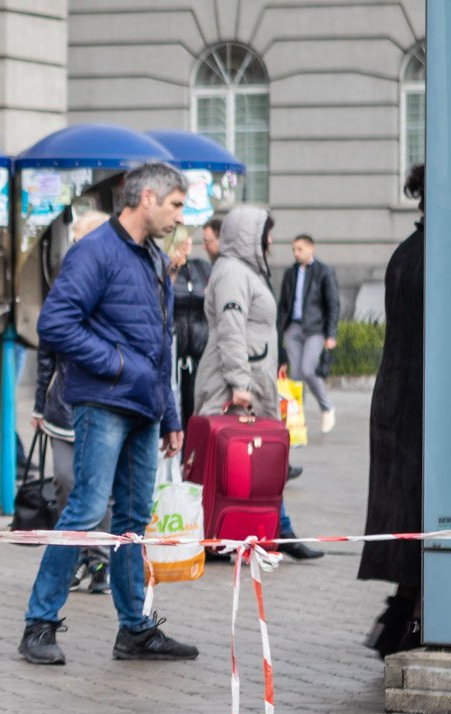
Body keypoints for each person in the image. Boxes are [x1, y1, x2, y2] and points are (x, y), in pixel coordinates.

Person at [18, 162, 198, 666]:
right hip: (104, 403)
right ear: (145, 197)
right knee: (84, 512)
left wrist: (170, 415)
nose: (180, 216)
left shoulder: (152, 259)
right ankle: (40, 623)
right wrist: (116, 365)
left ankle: (134, 630)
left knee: (133, 519)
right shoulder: (95, 251)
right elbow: (55, 324)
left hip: (144, 408)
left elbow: (161, 344)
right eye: (175, 205)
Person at [192, 206, 323, 561]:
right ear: (249, 235)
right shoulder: (233, 272)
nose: (270, 241)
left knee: (258, 461)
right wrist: (239, 384)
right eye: (266, 233)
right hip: (234, 386)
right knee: (241, 463)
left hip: (251, 380)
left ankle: (274, 529)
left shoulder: (243, 271)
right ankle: (243, 532)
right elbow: (232, 329)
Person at [359, 163, 425, 657]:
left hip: (401, 402)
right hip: (420, 406)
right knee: (422, 519)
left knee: (413, 521)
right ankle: (403, 625)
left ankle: (398, 621)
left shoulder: (409, 250)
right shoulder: (431, 254)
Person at [31, 209, 111, 594]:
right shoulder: (64, 287)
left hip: (105, 406)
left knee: (100, 486)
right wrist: (37, 403)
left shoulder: (117, 287)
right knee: (65, 482)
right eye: (77, 241)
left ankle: (100, 560)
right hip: (62, 406)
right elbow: (46, 350)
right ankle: (79, 555)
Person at [277, 234, 341, 433]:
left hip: (315, 329)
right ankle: (295, 424)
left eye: (300, 249)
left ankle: (327, 407)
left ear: (311, 248)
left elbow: (333, 304)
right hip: (293, 329)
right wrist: (279, 334)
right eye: (294, 249)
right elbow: (283, 306)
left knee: (307, 369)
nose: (296, 253)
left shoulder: (324, 272)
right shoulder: (290, 273)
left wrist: (331, 335)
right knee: (295, 376)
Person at [164, 225, 211, 429]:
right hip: (176, 344)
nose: (188, 245)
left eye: (189, 240)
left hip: (199, 344)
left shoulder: (201, 267)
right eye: (183, 241)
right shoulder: (166, 270)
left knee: (195, 399)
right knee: (175, 398)